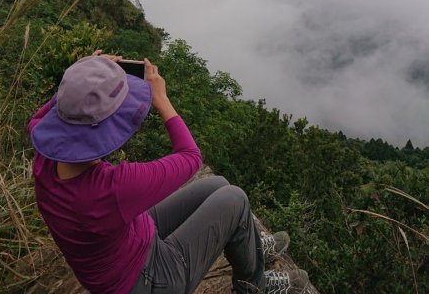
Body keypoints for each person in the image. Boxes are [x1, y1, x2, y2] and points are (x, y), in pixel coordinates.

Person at [28, 51, 309, 294]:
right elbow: (190, 157)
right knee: (234, 199)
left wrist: (86, 78)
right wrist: (161, 98)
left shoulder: (45, 157)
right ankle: (254, 284)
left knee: (218, 184)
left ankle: (252, 251)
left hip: (128, 242)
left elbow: (55, 109)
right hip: (147, 280)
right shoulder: (112, 188)